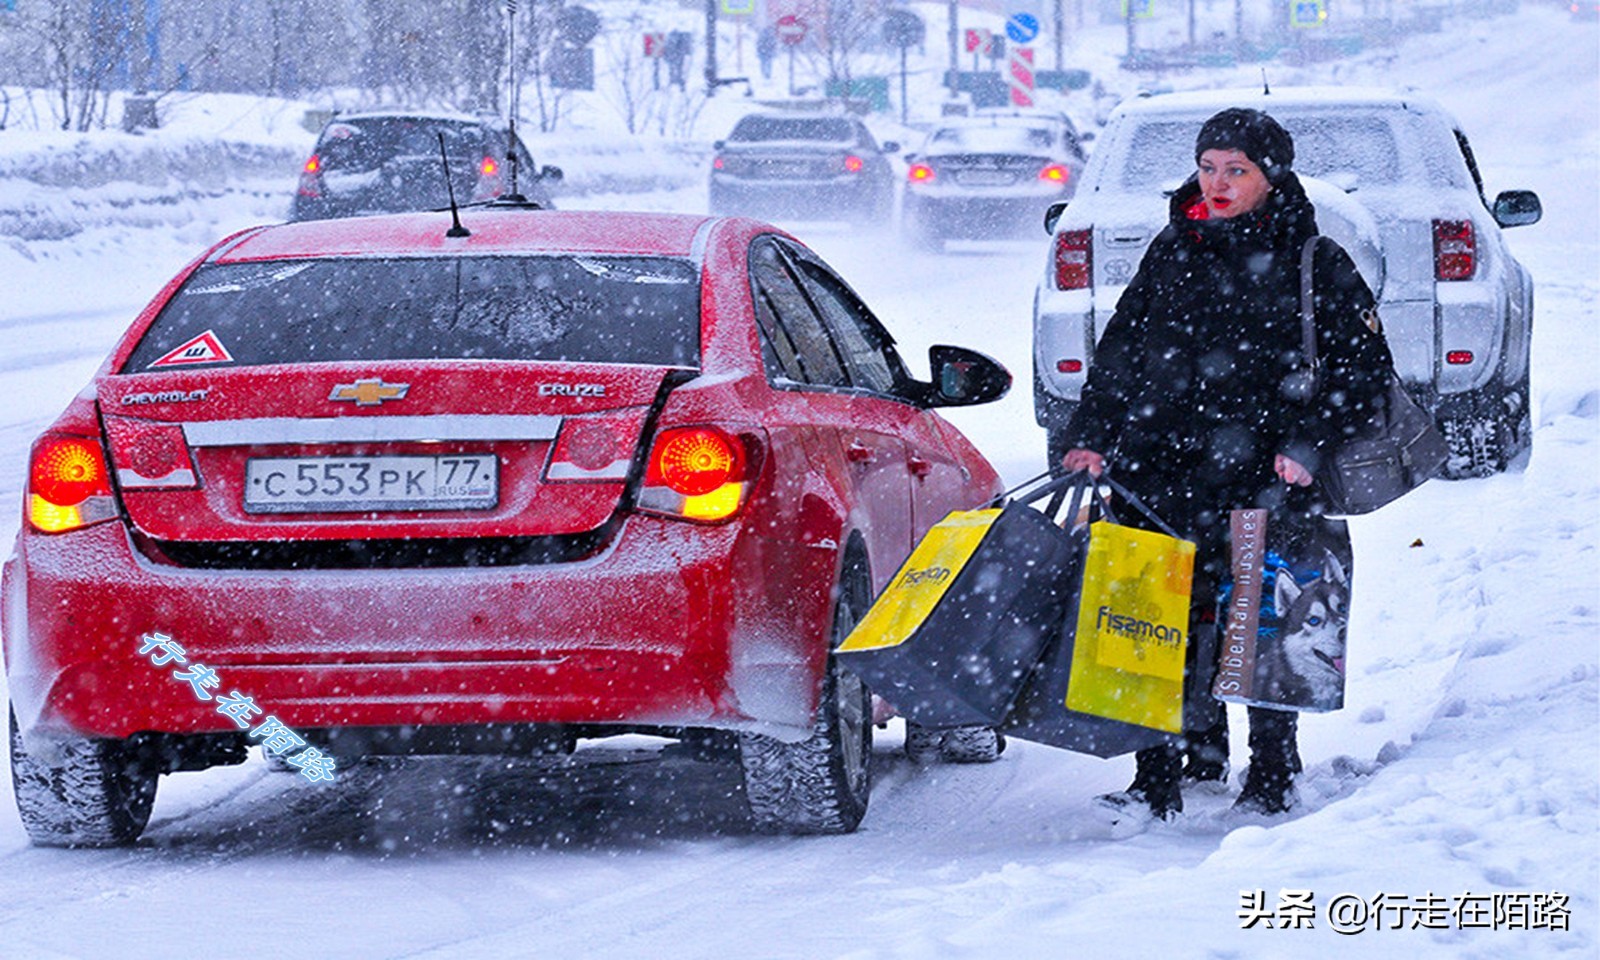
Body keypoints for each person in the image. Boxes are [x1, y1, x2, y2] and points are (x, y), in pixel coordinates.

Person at [1058, 108, 1395, 819]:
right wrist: (1091, 434)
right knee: (1148, 617)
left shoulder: (1314, 259)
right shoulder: (1171, 248)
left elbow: (1363, 374)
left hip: (1267, 472)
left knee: (1265, 618)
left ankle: (1271, 771)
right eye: (1209, 167)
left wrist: (1306, 444)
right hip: (1156, 464)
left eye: (1236, 170)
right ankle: (1165, 772)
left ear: (1270, 178)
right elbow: (1119, 351)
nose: (1217, 182)